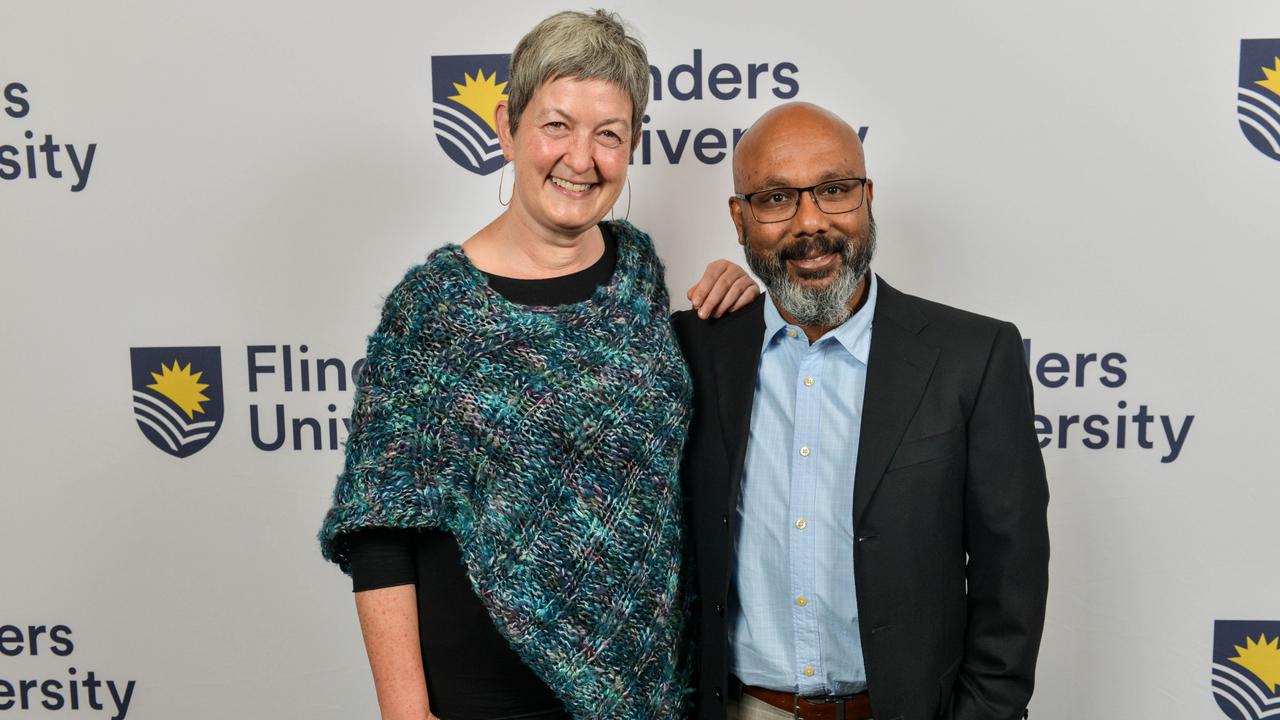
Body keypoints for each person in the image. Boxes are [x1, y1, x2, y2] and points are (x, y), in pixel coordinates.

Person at [318, 11, 756, 720]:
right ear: (507, 126)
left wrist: (739, 304)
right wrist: (404, 711)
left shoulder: (639, 280)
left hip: (646, 688)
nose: (581, 158)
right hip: (485, 698)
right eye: (557, 125)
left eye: (608, 134)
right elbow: (379, 529)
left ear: (632, 146)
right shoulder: (434, 310)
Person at [673, 102, 1050, 720]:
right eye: (774, 199)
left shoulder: (973, 357)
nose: (810, 223)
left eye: (834, 191)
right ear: (739, 220)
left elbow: (1011, 576)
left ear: (868, 198)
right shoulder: (694, 349)